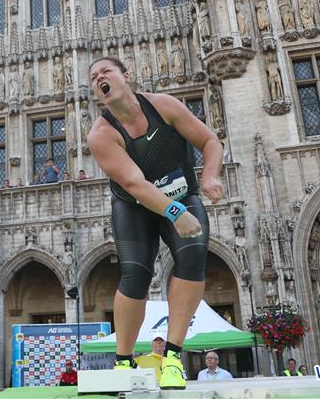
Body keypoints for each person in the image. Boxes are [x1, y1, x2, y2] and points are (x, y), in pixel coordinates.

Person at [86, 56, 225, 391]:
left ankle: (173, 357)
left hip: (181, 192)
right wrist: (175, 214)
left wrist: (209, 176)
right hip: (135, 205)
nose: (99, 78)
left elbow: (209, 141)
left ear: (126, 76)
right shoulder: (101, 135)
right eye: (93, 77)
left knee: (193, 257)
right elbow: (135, 185)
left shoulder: (164, 106)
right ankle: (123, 360)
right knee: (136, 273)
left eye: (105, 71)